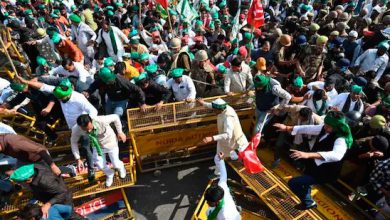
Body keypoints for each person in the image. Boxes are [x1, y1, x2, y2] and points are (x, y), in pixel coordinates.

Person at [273, 111, 353, 210]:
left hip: (325, 171)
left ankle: (308, 201)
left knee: (293, 183)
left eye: (328, 126)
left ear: (336, 127)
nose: (325, 127)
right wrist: (286, 128)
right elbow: (308, 128)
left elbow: (337, 155)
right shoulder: (325, 128)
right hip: (314, 165)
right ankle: (307, 203)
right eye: (325, 125)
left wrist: (307, 155)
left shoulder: (341, 139)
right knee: (306, 183)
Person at [71, 114, 127, 187]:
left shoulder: (101, 120)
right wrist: (78, 158)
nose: (89, 130)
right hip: (96, 145)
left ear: (91, 121)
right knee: (99, 164)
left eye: (89, 128)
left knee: (115, 162)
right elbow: (73, 142)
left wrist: (120, 132)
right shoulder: (76, 129)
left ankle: (121, 167)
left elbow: (116, 117)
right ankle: (110, 173)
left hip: (109, 141)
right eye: (86, 130)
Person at [9, 164, 82, 219]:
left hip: (62, 200)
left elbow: (63, 192)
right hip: (48, 197)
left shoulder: (45, 181)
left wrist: (48, 204)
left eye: (20, 182)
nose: (19, 184)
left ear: (29, 179)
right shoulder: (34, 169)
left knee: (72, 216)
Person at [197, 98, 248, 174]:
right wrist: (203, 103)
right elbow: (212, 105)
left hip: (236, 142)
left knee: (243, 159)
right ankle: (218, 173)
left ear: (219, 110)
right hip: (224, 142)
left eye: (214, 110)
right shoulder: (223, 107)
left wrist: (212, 138)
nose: (213, 111)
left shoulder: (228, 118)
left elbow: (228, 135)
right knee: (218, 157)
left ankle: (246, 174)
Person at [204, 152, 241, 220]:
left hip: (232, 217)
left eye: (209, 202)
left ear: (218, 201)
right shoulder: (222, 186)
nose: (207, 202)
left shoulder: (224, 216)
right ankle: (237, 209)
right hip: (231, 211)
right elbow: (223, 175)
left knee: (207, 212)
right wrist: (221, 160)